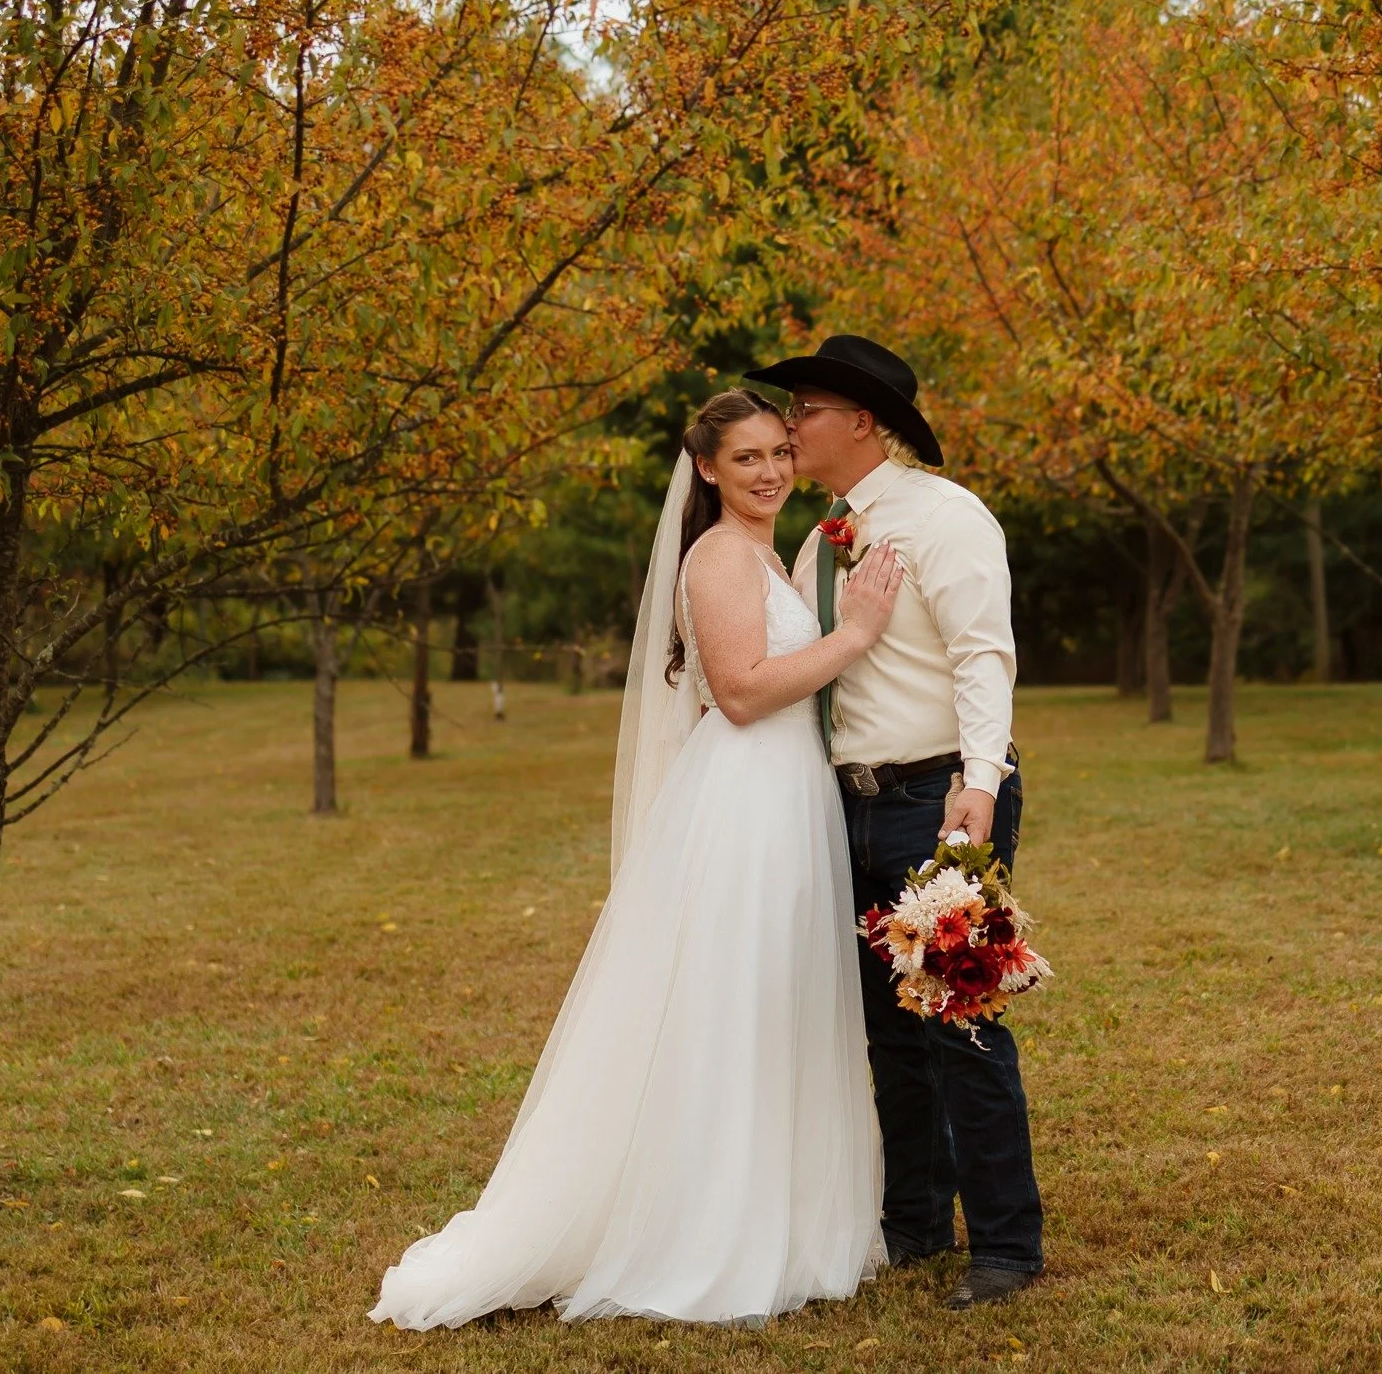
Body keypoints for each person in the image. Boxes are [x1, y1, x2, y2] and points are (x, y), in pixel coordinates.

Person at [369, 388, 905, 1328]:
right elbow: (740, 693)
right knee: (735, 1002)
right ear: (706, 468)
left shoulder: (762, 552)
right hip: (747, 804)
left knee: (774, 999)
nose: (772, 470)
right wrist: (853, 634)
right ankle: (709, 1230)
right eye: (747, 458)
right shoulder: (719, 557)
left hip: (783, 796)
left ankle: (779, 1211)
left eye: (781, 450)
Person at [745, 335, 1045, 1310]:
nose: (789, 428)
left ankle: (1004, 1245)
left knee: (958, 1023)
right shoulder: (818, 535)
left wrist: (978, 781)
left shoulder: (943, 517)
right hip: (847, 804)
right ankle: (914, 1222)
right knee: (888, 1032)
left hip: (938, 798)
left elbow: (982, 655)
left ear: (862, 421)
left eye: (807, 410)